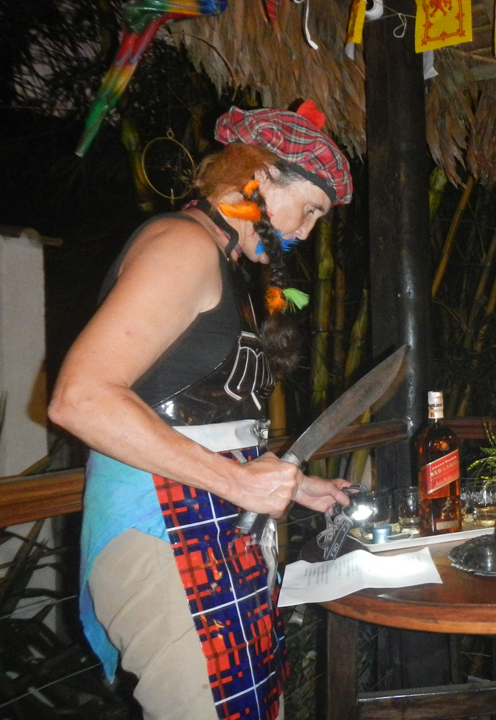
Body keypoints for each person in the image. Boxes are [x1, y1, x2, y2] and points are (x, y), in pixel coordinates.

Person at [48, 101, 355, 720]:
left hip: (206, 521)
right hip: (161, 528)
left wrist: (289, 485)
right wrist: (237, 482)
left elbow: (195, 415)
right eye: (310, 208)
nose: (306, 232)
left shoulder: (220, 262)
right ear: (261, 177)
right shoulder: (182, 245)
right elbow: (81, 397)